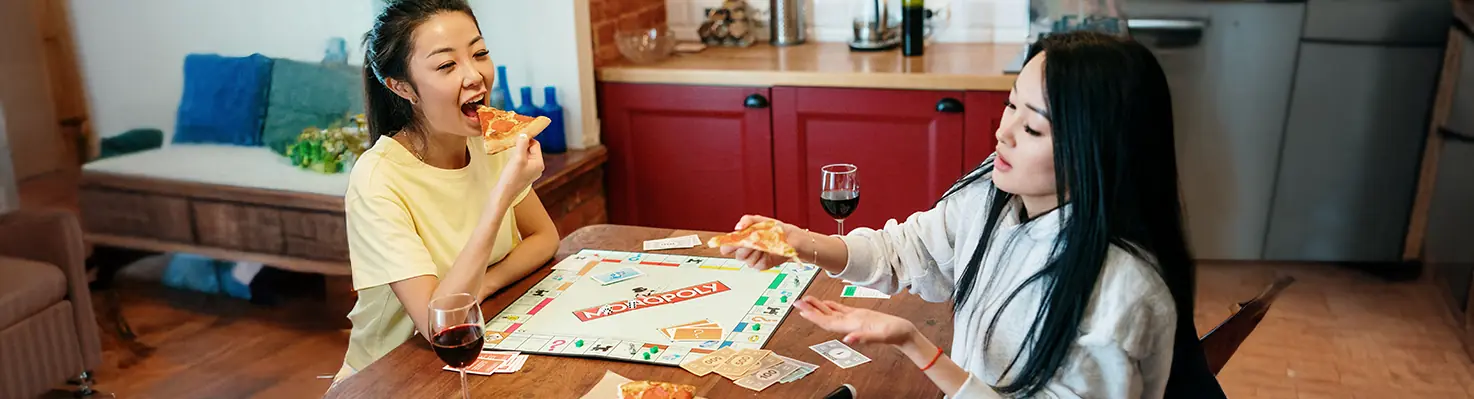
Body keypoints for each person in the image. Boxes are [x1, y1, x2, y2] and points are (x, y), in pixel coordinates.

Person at [721, 31, 1226, 398]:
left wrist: (919, 348)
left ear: (1099, 152)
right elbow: (908, 250)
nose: (1003, 135)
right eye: (1010, 107)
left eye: (1033, 129)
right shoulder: (994, 192)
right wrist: (795, 241)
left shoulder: (1125, 291)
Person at [334, 0, 558, 383]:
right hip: (391, 375)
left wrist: (483, 286)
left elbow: (545, 238)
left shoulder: (487, 140)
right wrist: (502, 196)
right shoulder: (377, 179)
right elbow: (441, 323)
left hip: (479, 356)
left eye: (480, 53)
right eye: (446, 65)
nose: (475, 76)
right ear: (401, 87)